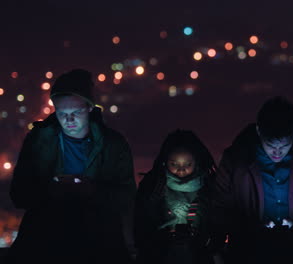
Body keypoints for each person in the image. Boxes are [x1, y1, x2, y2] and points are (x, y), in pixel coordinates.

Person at [7, 69, 136, 264]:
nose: (69, 120)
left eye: (76, 112)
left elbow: (127, 197)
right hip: (46, 240)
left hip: (98, 241)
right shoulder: (39, 141)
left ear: (90, 108)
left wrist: (92, 191)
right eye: (62, 113)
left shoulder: (113, 145)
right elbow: (19, 193)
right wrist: (50, 191)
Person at [209, 96, 293, 264]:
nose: (277, 153)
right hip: (250, 252)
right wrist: (250, 228)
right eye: (270, 145)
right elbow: (221, 207)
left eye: (284, 146)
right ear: (259, 132)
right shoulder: (236, 159)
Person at [135, 130, 215, 264]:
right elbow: (142, 217)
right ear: (165, 162)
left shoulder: (208, 185)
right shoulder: (154, 184)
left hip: (199, 253)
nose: (181, 170)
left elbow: (215, 217)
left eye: (187, 164)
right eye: (174, 164)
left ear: (196, 162)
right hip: (160, 253)